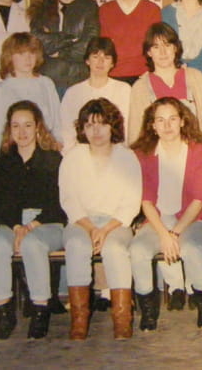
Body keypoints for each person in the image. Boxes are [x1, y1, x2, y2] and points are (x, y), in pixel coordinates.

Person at [130, 97, 202, 329]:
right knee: (138, 250)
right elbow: (146, 201)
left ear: (182, 121)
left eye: (172, 119)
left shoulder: (200, 153)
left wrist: (175, 234)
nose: (167, 126)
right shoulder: (142, 155)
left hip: (190, 220)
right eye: (160, 120)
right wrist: (163, 234)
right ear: (152, 125)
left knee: (192, 249)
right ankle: (148, 309)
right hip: (155, 221)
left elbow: (200, 199)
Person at [59, 98, 141, 340]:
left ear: (112, 126)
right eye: (89, 125)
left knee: (115, 249)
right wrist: (90, 227)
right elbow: (69, 199)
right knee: (76, 245)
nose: (96, 131)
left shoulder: (127, 157)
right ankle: (79, 320)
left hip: (116, 223)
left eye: (102, 124)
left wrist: (104, 230)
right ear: (82, 129)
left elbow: (131, 202)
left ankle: (122, 320)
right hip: (81, 223)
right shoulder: (72, 157)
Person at [0, 101, 66, 339]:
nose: (22, 132)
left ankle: (40, 310)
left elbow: (59, 203)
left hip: (48, 223)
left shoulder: (52, 159)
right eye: (16, 126)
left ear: (38, 127)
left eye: (28, 125)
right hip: (14, 223)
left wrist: (31, 226)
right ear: (9, 129)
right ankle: (4, 312)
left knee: (33, 243)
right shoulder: (4, 162)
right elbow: (1, 203)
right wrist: (17, 226)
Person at [128, 22, 202, 145]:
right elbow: (135, 133)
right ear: (149, 52)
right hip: (157, 151)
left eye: (167, 45)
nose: (163, 52)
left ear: (175, 48)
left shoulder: (195, 77)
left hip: (194, 149)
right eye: (156, 47)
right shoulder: (140, 87)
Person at [29, 0, 100, 95]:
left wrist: (60, 52)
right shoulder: (40, 7)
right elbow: (37, 41)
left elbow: (89, 44)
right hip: (48, 79)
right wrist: (69, 39)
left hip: (79, 79)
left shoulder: (89, 7)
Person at [0, 32, 62, 153]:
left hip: (44, 149)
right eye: (21, 54)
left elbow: (57, 123)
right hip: (13, 152)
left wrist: (58, 145)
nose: (28, 59)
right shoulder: (0, 90)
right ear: (10, 57)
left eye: (32, 53)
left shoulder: (46, 84)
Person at [60, 37, 132, 153]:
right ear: (87, 60)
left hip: (116, 153)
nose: (100, 62)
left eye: (106, 57)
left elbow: (127, 129)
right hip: (81, 154)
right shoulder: (73, 93)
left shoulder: (124, 90)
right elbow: (67, 133)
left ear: (112, 63)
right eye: (95, 56)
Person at [98, 0, 161, 84]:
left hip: (145, 77)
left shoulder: (152, 10)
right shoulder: (105, 10)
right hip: (113, 77)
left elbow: (155, 47)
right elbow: (103, 49)